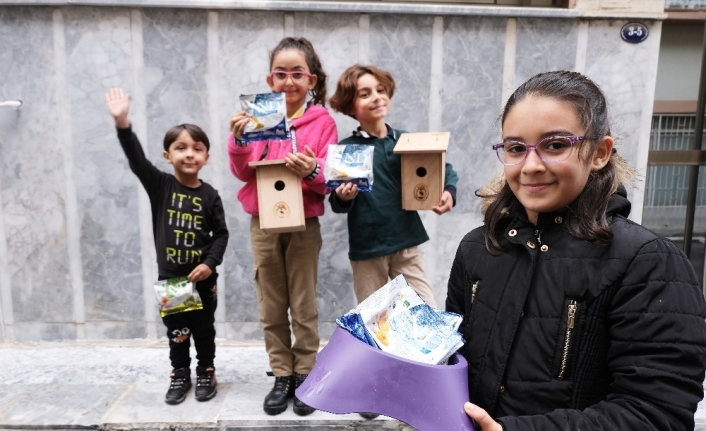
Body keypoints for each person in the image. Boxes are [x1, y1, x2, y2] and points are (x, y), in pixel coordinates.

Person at [445, 70, 706, 431]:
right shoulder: (479, 247)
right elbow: (454, 368)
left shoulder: (647, 262)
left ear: (599, 152)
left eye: (555, 145)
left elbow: (657, 414)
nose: (532, 166)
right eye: (516, 148)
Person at [227, 37, 337, 416]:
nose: (288, 81)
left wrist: (314, 170)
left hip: (304, 222)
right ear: (269, 78)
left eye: (297, 74)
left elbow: (330, 177)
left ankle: (305, 372)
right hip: (263, 221)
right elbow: (242, 171)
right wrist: (239, 140)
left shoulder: (322, 122)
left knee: (303, 301)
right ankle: (281, 373)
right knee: (271, 302)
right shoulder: (257, 117)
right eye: (280, 73)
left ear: (312, 79)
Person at [105, 87, 229, 405]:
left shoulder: (211, 195)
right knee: (177, 333)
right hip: (172, 280)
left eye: (197, 148)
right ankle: (180, 374)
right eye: (181, 148)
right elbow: (135, 159)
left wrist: (210, 264)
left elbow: (221, 235)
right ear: (167, 156)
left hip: (203, 281)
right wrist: (122, 123)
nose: (189, 154)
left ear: (206, 157)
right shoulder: (161, 186)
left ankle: (206, 370)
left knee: (204, 331)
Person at [328, 64, 458, 309]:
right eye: (365, 94)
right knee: (374, 321)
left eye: (380, 90)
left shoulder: (406, 141)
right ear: (349, 106)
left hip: (405, 244)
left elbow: (444, 169)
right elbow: (336, 203)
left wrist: (448, 191)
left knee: (424, 311)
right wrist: (343, 196)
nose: (376, 97)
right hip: (366, 251)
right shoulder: (346, 150)